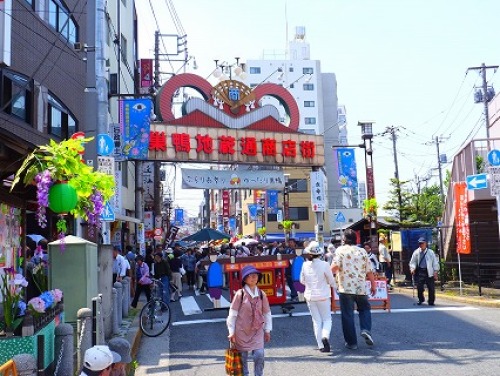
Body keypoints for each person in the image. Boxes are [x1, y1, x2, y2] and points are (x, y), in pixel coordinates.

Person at [331, 229, 376, 350]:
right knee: (365, 309)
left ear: (344, 239)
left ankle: (352, 343)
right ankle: (366, 329)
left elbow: (335, 267)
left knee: (347, 315)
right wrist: (373, 284)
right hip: (361, 287)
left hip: (345, 288)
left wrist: (327, 276)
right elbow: (369, 270)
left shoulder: (340, 250)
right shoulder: (362, 251)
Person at [227, 265, 272, 376]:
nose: (254, 277)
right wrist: (231, 332)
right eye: (250, 276)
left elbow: (267, 313)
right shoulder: (240, 294)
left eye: (255, 275)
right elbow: (232, 314)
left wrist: (267, 330)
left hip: (257, 331)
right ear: (245, 279)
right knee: (242, 358)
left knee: (259, 355)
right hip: (241, 331)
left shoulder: (262, 294)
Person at [300, 241, 337, 353]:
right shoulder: (325, 265)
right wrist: (334, 286)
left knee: (316, 321)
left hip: (310, 296)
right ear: (320, 253)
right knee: (327, 319)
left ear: (309, 254)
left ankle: (320, 345)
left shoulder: (305, 265)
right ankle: (325, 336)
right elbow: (331, 281)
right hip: (323, 295)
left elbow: (302, 280)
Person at [409, 237, 439, 306]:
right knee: (419, 287)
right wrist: (412, 268)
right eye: (420, 243)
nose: (421, 245)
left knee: (431, 287)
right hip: (420, 271)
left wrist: (435, 271)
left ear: (425, 243)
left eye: (422, 243)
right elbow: (413, 262)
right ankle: (421, 299)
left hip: (429, 271)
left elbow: (435, 262)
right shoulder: (416, 252)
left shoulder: (430, 252)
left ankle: (431, 301)